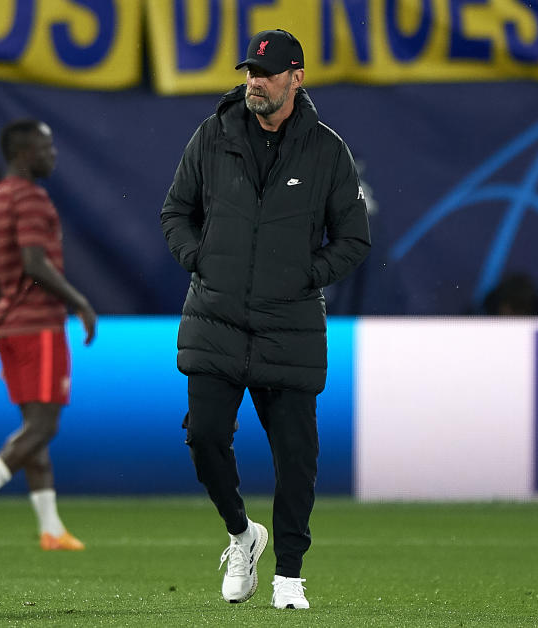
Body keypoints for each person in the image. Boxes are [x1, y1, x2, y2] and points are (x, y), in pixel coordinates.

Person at [161, 29, 371, 609]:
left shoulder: (327, 150)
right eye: (251, 71)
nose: (255, 81)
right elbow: (176, 211)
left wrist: (305, 275)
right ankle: (240, 534)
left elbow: (354, 239)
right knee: (203, 438)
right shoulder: (212, 135)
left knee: (295, 456)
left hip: (289, 324)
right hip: (217, 317)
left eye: (268, 72)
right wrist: (199, 259)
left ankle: (289, 576)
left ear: (296, 78)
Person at [0, 119, 97, 552]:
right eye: (47, 148)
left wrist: (2, 315)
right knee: (44, 426)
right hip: (38, 323)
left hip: (9, 322)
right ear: (25, 153)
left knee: (34, 427)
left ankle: (50, 528)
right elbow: (34, 261)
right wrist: (79, 301)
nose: (53, 155)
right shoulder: (30, 198)